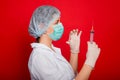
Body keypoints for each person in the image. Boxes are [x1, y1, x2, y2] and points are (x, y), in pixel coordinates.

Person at [28, 5, 101, 80]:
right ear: (42, 27)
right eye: (56, 22)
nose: (60, 25)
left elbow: (70, 76)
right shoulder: (40, 57)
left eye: (60, 21)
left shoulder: (51, 50)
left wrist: (74, 52)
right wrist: (89, 62)